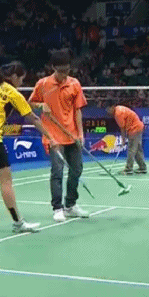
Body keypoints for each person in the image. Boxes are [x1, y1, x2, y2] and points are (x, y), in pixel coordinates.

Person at [0, 61, 56, 233]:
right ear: (14, 76)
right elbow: (33, 118)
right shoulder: (12, 93)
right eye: (21, 79)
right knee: (5, 180)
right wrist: (50, 136)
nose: (21, 83)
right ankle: (18, 223)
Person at [28, 52, 90, 222]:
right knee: (57, 172)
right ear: (53, 68)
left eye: (67, 70)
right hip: (53, 135)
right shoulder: (43, 84)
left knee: (77, 170)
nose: (64, 74)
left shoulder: (74, 83)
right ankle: (57, 208)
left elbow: (77, 110)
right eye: (61, 71)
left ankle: (70, 205)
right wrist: (41, 105)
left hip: (72, 134)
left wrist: (80, 133)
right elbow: (30, 103)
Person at [106, 104, 147, 175]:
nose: (108, 111)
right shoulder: (119, 108)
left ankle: (128, 169)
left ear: (112, 107)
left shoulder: (118, 114)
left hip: (134, 129)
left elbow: (122, 128)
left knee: (131, 150)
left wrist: (123, 140)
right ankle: (142, 168)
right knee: (137, 149)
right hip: (139, 127)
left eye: (108, 109)